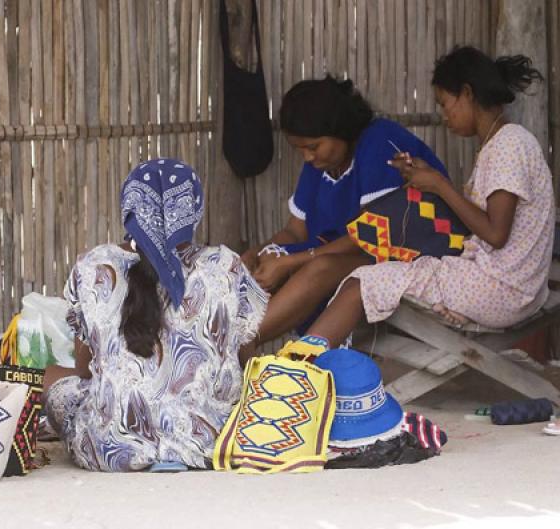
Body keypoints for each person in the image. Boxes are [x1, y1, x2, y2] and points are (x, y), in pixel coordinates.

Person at [300, 46, 553, 360]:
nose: (444, 116)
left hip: (504, 290)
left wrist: (440, 186)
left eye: (446, 104)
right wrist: (428, 180)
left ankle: (292, 374)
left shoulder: (509, 145)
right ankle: (299, 369)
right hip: (507, 284)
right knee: (380, 274)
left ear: (467, 93)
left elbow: (496, 233)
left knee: (362, 282)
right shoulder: (501, 144)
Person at [43, 159, 268, 472]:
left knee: (55, 383)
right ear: (194, 209)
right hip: (206, 443)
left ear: (130, 209)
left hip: (115, 448)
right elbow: (246, 361)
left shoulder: (95, 267)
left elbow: (84, 369)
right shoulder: (225, 265)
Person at [243, 75, 447, 342]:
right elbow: (294, 232)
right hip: (357, 256)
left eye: (313, 147)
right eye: (300, 149)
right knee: (269, 259)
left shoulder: (379, 141)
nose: (307, 157)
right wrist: (255, 256)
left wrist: (290, 261)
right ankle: (237, 350)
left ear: (340, 128)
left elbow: (368, 238)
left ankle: (236, 345)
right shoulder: (322, 163)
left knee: (321, 268)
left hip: (409, 258)